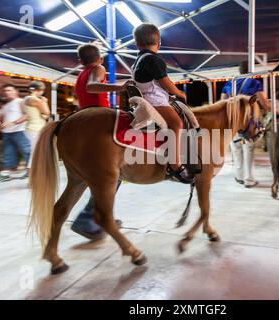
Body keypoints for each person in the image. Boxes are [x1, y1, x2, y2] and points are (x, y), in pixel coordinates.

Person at [71, 44, 127, 240]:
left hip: (85, 120)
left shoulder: (80, 74)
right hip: (99, 120)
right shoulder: (98, 69)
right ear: (100, 58)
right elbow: (92, 86)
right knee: (116, 171)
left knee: (101, 175)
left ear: (80, 61)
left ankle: (97, 216)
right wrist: (120, 87)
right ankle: (91, 218)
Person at [132, 23, 194, 184]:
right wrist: (180, 93)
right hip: (155, 101)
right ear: (159, 43)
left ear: (137, 43)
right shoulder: (153, 59)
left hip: (151, 97)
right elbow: (166, 83)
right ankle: (175, 164)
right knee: (176, 123)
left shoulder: (139, 59)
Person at [221, 61, 270, 188]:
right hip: (248, 122)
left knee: (236, 148)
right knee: (248, 148)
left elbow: (223, 102)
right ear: (251, 70)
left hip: (233, 120)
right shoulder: (255, 83)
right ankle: (249, 180)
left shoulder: (229, 83)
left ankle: (239, 176)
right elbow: (265, 104)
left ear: (239, 71)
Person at [0, 84, 30, 184]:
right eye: (6, 91)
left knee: (27, 151)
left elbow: (26, 115)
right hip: (7, 133)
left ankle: (31, 171)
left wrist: (13, 123)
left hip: (19, 131)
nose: (7, 92)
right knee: (7, 153)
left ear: (16, 91)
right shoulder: (5, 106)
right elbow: (0, 122)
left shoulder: (20, 101)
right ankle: (5, 174)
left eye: (10, 90)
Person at [24, 81, 50, 173]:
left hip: (30, 127)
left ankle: (31, 172)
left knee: (34, 151)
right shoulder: (36, 100)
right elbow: (47, 112)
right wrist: (45, 102)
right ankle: (31, 173)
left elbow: (44, 115)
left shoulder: (26, 98)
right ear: (40, 90)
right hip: (36, 128)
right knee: (36, 151)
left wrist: (44, 115)